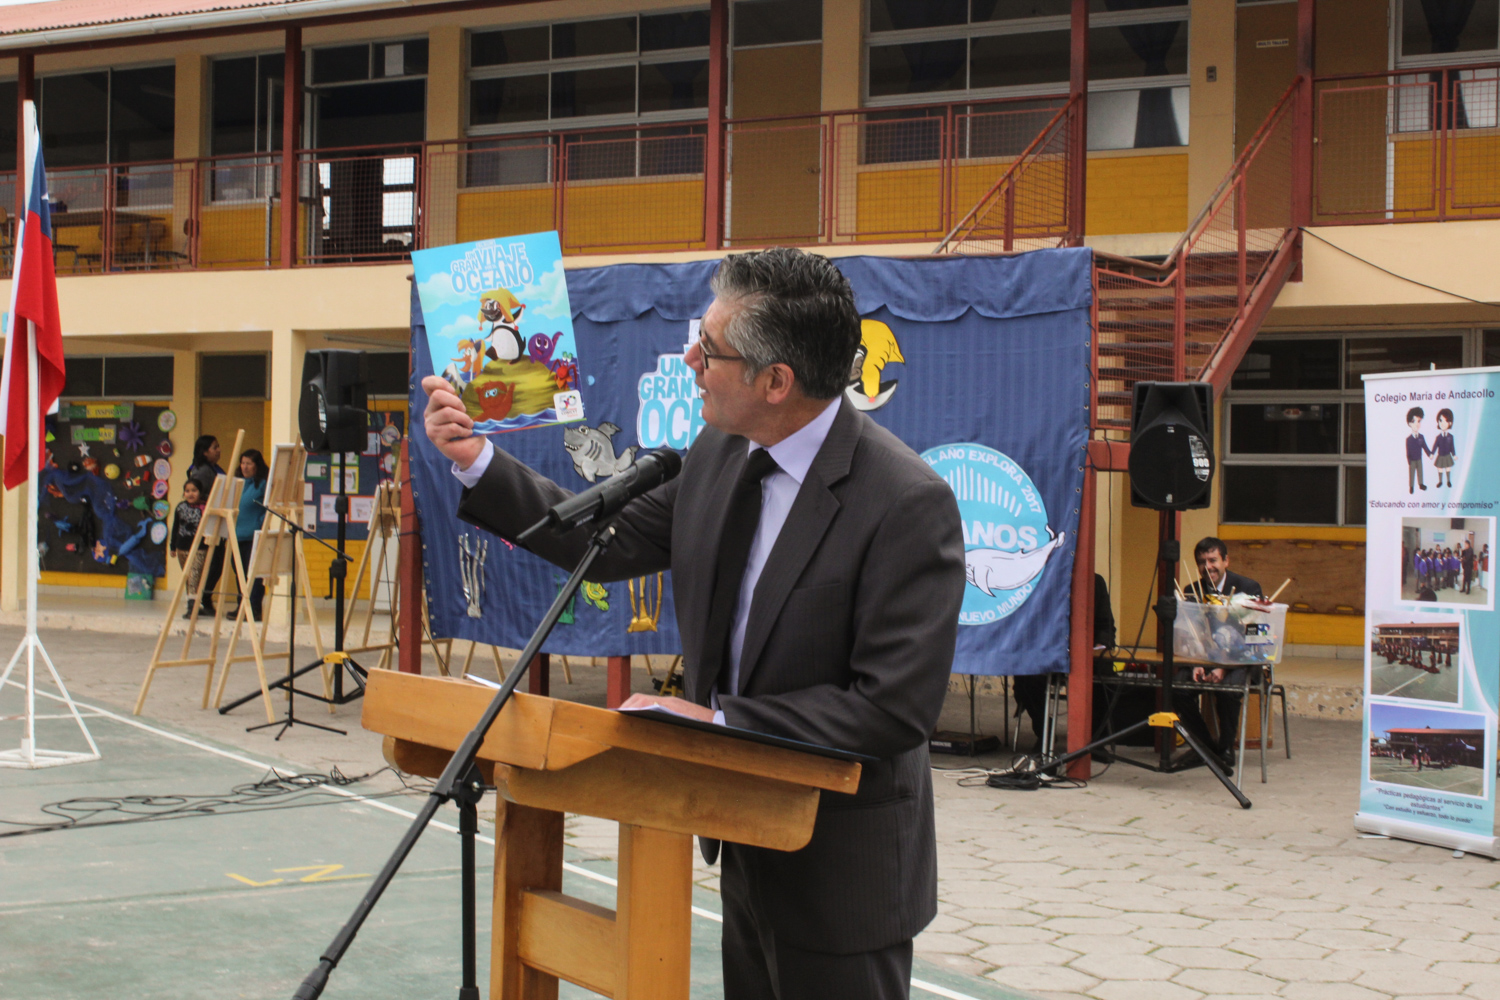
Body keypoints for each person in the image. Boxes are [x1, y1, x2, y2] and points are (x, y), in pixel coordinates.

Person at [423, 247, 965, 1000]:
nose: (689, 359)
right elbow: (598, 541)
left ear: (776, 382)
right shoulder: (720, 451)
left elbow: (892, 708)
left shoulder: (906, 502)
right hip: (741, 839)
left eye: (709, 350)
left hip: (845, 871)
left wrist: (716, 719)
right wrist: (477, 459)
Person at [1177, 537, 1262, 773]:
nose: (1208, 567)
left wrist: (1224, 666)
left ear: (1226, 560)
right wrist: (1196, 662)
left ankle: (1225, 749)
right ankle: (1205, 746)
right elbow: (1189, 635)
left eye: (1213, 560)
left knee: (1228, 689)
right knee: (1178, 687)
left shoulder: (1249, 588)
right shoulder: (1191, 591)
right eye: (1202, 562)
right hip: (1203, 659)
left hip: (1240, 662)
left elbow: (1255, 638)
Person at [1017, 574, 1115, 749]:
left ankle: (1095, 739)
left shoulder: (1095, 582)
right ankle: (1045, 732)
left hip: (1086, 654)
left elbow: (1105, 624)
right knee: (1025, 677)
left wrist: (1101, 644)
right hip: (1047, 652)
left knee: (1104, 678)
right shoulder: (1038, 577)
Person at [189, 435, 227, 615]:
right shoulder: (202, 472)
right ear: (205, 452)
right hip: (206, 522)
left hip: (217, 521)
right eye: (214, 447)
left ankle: (204, 596)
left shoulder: (213, 469)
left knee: (216, 563)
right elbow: (197, 497)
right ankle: (200, 598)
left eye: (218, 446)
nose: (219, 450)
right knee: (209, 563)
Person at [235, 449, 269, 622]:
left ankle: (254, 608)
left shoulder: (263, 484)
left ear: (257, 466)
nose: (244, 467)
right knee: (238, 572)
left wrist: (261, 522)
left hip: (253, 535)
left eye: (249, 463)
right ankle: (241, 606)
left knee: (253, 574)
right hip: (236, 536)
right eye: (242, 463)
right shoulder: (238, 483)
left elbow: (269, 506)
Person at [171, 478, 206, 619]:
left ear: (200, 492)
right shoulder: (180, 508)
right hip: (182, 547)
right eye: (187, 491)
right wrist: (173, 546)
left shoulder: (205, 507)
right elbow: (175, 527)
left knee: (195, 574)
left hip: (200, 547)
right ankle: (194, 603)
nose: (190, 494)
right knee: (188, 576)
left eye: (194, 491)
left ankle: (192, 606)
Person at [1406, 406, 1431, 494]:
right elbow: (1408, 451)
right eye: (1414, 421)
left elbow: (1425, 447)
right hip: (1412, 460)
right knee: (1412, 473)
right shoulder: (1408, 439)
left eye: (1419, 421)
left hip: (1419, 459)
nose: (1417, 424)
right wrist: (1409, 460)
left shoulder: (1421, 437)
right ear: (1409, 423)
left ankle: (1421, 484)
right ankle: (1411, 486)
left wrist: (1430, 454)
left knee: (1420, 471)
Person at [1433, 408, 1456, 488]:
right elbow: (1435, 446)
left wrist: (1454, 455)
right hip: (1440, 455)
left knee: (1448, 468)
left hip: (1447, 455)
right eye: (1441, 420)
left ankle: (1448, 481)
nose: (1443, 423)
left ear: (1450, 423)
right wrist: (1432, 453)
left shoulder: (1450, 437)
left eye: (1446, 421)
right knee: (1440, 468)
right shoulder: (1438, 437)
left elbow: (1452, 447)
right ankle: (1440, 481)